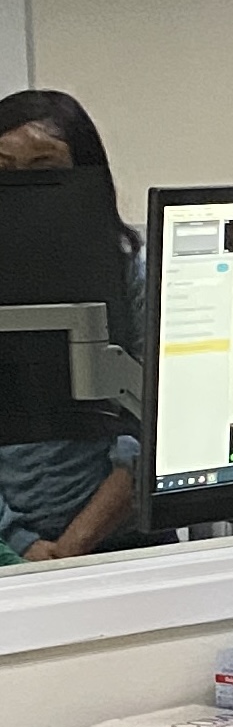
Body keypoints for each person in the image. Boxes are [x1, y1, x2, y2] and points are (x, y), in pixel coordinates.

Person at [0, 89, 146, 565]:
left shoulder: (133, 273)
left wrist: (75, 544)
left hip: (121, 541)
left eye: (43, 170)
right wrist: (19, 542)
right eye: (3, 171)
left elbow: (151, 426)